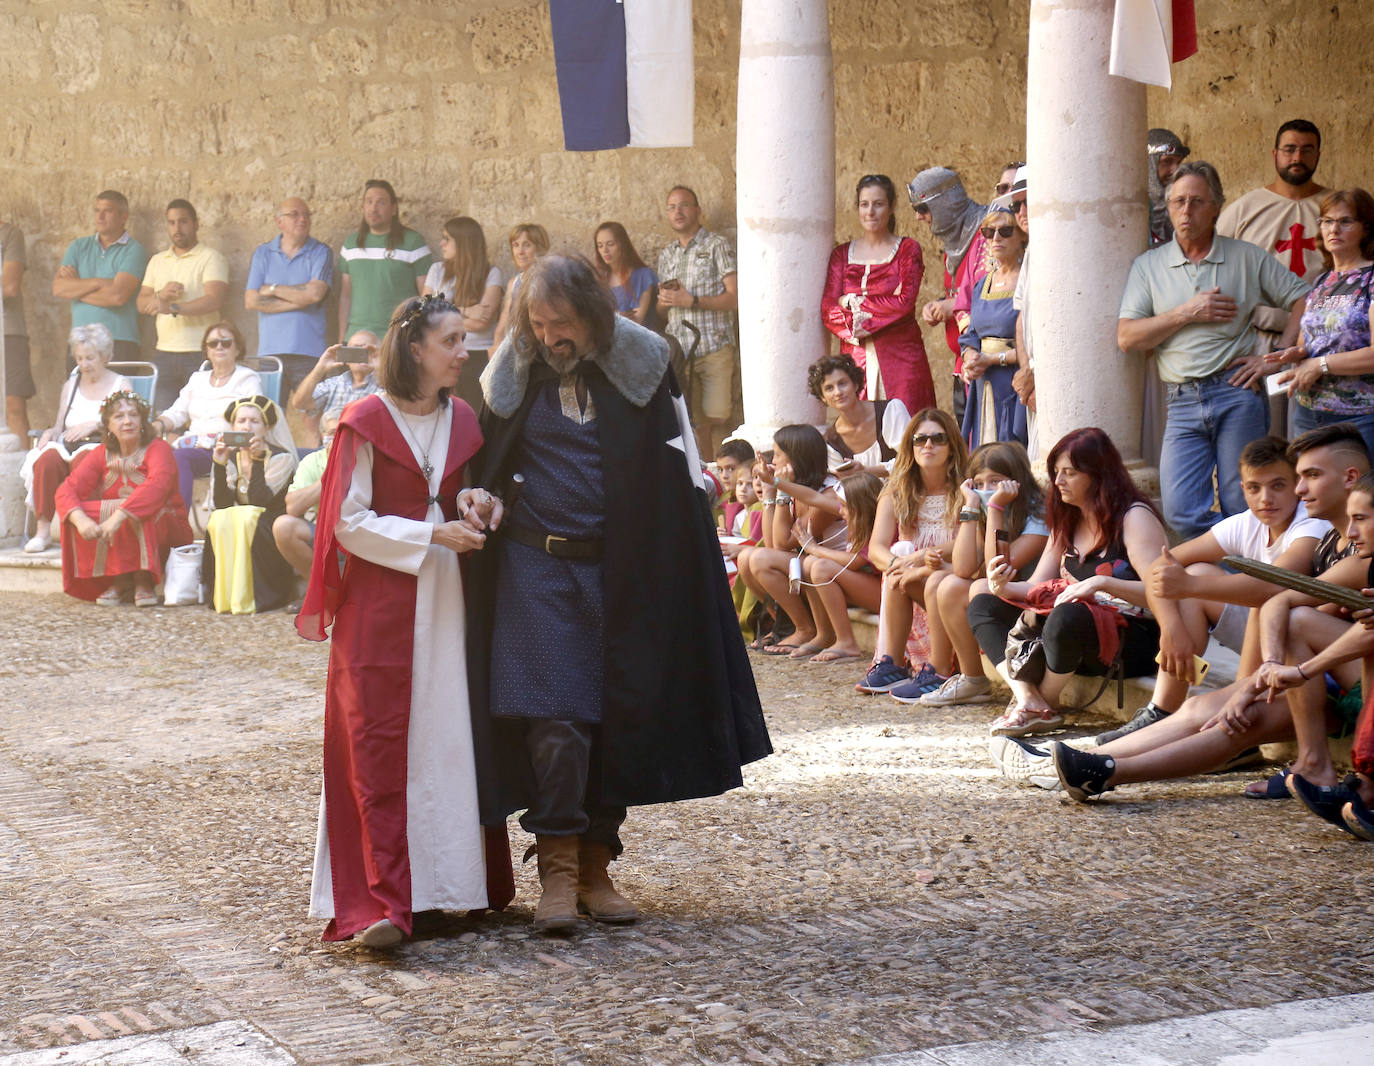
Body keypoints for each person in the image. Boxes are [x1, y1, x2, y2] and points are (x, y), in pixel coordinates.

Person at [464, 255, 770, 933]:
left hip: (621, 567)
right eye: (538, 324)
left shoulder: (643, 362)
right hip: (534, 569)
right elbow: (483, 458)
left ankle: (598, 864)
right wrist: (477, 497)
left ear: (594, 315)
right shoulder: (513, 368)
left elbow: (675, 467)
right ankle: (558, 868)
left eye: (561, 323)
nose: (549, 337)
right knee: (556, 721)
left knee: (611, 716)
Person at [297, 294, 515, 947]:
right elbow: (345, 521)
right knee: (377, 742)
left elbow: (464, 493)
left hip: (449, 600)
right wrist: (429, 536)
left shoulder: (464, 418)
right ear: (416, 348)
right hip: (380, 604)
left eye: (465, 340)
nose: (464, 351)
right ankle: (381, 901)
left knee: (446, 737)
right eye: (452, 340)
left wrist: (479, 504)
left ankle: (448, 887)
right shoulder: (365, 420)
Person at [990, 425, 1368, 793]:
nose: (1299, 490)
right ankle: (1080, 759)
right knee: (1199, 707)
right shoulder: (1331, 539)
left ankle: (1099, 769)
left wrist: (1256, 680)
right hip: (1304, 675)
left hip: (1331, 684)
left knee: (1232, 714)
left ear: (1351, 478)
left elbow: (1277, 592)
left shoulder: (1326, 537)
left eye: (1306, 478)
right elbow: (1167, 566)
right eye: (1255, 487)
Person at [1118, 161, 1311, 539]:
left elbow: (1306, 298)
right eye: (1177, 202)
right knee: (1181, 511)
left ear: (1217, 206)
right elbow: (1127, 337)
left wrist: (1274, 357)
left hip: (1237, 392)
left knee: (1245, 504)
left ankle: (1243, 586)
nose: (1185, 211)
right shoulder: (1149, 266)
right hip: (1181, 400)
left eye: (1195, 201)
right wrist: (1187, 312)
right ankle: (1228, 574)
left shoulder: (1246, 257)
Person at [968, 427, 1166, 736]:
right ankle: (1028, 698)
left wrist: (1102, 584)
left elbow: (1163, 594)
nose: (1058, 481)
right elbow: (1036, 586)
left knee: (1069, 612)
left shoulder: (1134, 517)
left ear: (1099, 474)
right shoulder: (1067, 519)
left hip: (1132, 643)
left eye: (1069, 472)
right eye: (1056, 472)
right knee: (983, 603)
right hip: (1072, 643)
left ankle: (1043, 702)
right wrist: (1002, 586)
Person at [918, 441, 1049, 707]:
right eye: (979, 483)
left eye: (995, 481)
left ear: (1015, 480)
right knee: (950, 585)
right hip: (1002, 598)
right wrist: (971, 506)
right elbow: (963, 568)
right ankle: (973, 678)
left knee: (974, 588)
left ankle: (1021, 683)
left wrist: (996, 509)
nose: (987, 490)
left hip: (1036, 603)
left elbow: (997, 569)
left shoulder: (1039, 511)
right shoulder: (985, 506)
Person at [855, 409, 968, 699]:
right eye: (920, 439)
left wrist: (922, 556)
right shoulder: (897, 490)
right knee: (897, 565)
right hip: (914, 581)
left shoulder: (965, 488)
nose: (928, 445)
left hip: (954, 575)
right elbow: (876, 548)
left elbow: (974, 542)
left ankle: (932, 667)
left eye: (937, 439)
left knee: (913, 571)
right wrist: (902, 562)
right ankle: (891, 664)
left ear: (952, 446)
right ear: (911, 446)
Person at [54, 389, 192, 606]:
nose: (127, 421)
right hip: (123, 529)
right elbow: (67, 490)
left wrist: (118, 516)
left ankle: (143, 578)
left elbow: (157, 488)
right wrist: (80, 520)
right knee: (79, 512)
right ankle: (120, 577)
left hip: (167, 526)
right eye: (119, 416)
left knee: (144, 508)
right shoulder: (101, 453)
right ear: (108, 425)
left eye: (133, 415)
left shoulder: (159, 449)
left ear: (142, 420)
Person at [1270, 189, 1374, 457]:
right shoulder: (1321, 282)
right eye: (1327, 221)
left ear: (1366, 228)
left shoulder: (1370, 280)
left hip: (1358, 417)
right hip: (1309, 413)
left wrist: (1320, 365)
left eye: (1345, 221)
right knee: (1311, 496)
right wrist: (1298, 353)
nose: (1334, 229)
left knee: (1358, 496)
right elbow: (1310, 343)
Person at [821, 175, 934, 412]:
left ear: (892, 207)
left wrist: (850, 303)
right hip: (855, 359)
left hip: (902, 357)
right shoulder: (841, 255)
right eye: (864, 204)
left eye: (878, 204)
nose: (870, 211)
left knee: (906, 426)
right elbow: (827, 309)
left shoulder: (907, 249)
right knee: (862, 432)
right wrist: (849, 310)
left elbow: (903, 303)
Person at [736, 424, 846, 657]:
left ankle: (806, 629)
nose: (772, 462)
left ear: (795, 459)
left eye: (777, 455)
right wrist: (769, 493)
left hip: (833, 572)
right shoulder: (799, 485)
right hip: (807, 567)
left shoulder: (827, 492)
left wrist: (782, 493)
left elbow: (782, 543)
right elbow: (771, 543)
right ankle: (787, 624)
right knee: (747, 558)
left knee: (760, 560)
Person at [22, 324, 133, 552]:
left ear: (105, 356)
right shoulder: (71, 385)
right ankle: (43, 532)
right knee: (46, 460)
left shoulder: (120, 384)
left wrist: (96, 424)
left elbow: (128, 423)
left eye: (90, 358)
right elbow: (60, 423)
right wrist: (50, 433)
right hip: (68, 444)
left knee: (84, 461)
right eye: (80, 358)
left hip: (102, 444)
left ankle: (85, 529)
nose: (84, 364)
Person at [656, 185, 740, 458]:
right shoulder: (667, 254)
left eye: (683, 205)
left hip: (713, 345)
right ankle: (707, 479)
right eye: (671, 207)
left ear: (697, 210)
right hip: (678, 353)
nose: (677, 212)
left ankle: (726, 473)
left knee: (718, 416)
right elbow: (661, 311)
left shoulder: (716, 245)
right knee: (690, 420)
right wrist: (665, 301)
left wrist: (691, 300)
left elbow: (734, 298)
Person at [152, 322, 264, 514]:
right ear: (206, 350)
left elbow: (254, 423)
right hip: (192, 446)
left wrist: (219, 440)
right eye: (213, 344)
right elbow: (177, 412)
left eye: (226, 343)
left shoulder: (248, 379)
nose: (219, 347)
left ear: (237, 349)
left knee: (178, 457)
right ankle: (154, 523)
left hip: (227, 448)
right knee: (156, 455)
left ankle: (177, 523)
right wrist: (158, 425)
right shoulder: (197, 379)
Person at [202, 395, 298, 614]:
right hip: (245, 519)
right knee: (219, 519)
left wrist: (256, 460)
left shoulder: (281, 458)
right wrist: (219, 462)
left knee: (248, 519)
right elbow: (223, 504)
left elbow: (259, 501)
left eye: (254, 421)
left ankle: (259, 594)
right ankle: (223, 594)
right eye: (241, 421)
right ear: (233, 426)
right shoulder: (233, 456)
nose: (247, 426)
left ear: (266, 427)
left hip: (272, 521)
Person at [908, 166, 989, 423]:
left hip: (984, 362)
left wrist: (952, 306)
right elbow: (963, 291)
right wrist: (941, 305)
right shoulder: (955, 243)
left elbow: (995, 293)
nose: (919, 218)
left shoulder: (987, 235)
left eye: (922, 209)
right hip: (961, 363)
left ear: (944, 204)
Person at [244, 197, 333, 419]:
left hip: (309, 351)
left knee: (313, 419)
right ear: (279, 221)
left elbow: (316, 293)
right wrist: (300, 298)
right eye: (294, 214)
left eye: (306, 214)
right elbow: (251, 301)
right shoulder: (263, 253)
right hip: (270, 353)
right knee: (267, 420)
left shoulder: (321, 252)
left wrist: (272, 288)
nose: (302, 219)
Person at [137, 199, 229, 412]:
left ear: (196, 224)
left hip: (201, 351)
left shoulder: (211, 258)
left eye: (183, 222)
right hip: (164, 352)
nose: (177, 228)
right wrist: (161, 295)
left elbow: (214, 299)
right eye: (171, 223)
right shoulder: (158, 261)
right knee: (164, 418)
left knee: (205, 415)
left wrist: (174, 308)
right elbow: (142, 303)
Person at [52, 190, 148, 363]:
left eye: (107, 211)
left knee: (118, 391)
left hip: (119, 341)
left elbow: (118, 296)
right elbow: (59, 288)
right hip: (79, 342)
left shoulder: (135, 250)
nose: (100, 216)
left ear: (123, 216)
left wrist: (77, 287)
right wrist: (99, 283)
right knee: (77, 391)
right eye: (97, 210)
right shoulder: (79, 246)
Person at [959, 207, 1027, 447]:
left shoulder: (1030, 281)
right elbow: (972, 333)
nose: (995, 238)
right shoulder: (981, 284)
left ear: (1022, 236)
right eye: (989, 232)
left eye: (1005, 231)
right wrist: (970, 356)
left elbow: (1036, 344)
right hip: (983, 383)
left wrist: (993, 359)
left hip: (1013, 383)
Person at [422, 216, 503, 410]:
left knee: (475, 414)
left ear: (464, 242)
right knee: (443, 411)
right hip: (442, 353)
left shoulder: (491, 273)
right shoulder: (437, 270)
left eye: (447, 238)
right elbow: (425, 312)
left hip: (478, 355)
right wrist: (468, 310)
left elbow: (482, 322)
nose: (441, 243)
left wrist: (444, 308)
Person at [337, 180, 432, 340]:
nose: (373, 208)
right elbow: (345, 296)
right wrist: (342, 336)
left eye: (381, 202)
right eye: (369, 202)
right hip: (356, 338)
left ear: (394, 208)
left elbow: (426, 297)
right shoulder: (350, 245)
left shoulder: (413, 243)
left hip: (398, 337)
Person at [807, 354, 909, 476]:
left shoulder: (891, 411)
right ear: (823, 397)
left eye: (842, 383)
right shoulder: (831, 443)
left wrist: (866, 471)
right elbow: (845, 487)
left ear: (855, 385)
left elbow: (911, 459)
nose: (838, 392)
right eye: (829, 388)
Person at [274, 411, 337, 591]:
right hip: (323, 531)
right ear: (323, 436)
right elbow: (292, 508)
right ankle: (321, 591)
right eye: (332, 433)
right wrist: (332, 471)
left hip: (359, 532)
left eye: (344, 431)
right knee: (283, 526)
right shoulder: (312, 461)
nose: (338, 438)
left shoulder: (366, 457)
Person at [290, 330, 382, 429]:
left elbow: (399, 404)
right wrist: (320, 368)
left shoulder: (388, 385)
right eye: (355, 350)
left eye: (367, 351)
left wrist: (381, 367)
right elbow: (300, 404)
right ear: (346, 354)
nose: (361, 355)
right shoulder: (334, 384)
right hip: (332, 443)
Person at [492, 222, 550, 349]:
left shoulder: (548, 280)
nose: (520, 251)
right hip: (514, 348)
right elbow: (504, 320)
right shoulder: (514, 282)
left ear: (540, 248)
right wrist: (496, 344)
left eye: (527, 245)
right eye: (516, 245)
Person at [593, 221, 659, 330]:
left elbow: (637, 321)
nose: (605, 250)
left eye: (610, 244)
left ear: (622, 245)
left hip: (638, 341)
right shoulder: (599, 280)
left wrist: (610, 316)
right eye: (600, 246)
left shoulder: (643, 276)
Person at [1, 215, 31, 437]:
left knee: (14, 405)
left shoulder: (9, 234)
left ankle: (22, 471)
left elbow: (10, 286)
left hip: (8, 330)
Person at [1146, 128, 1190, 246]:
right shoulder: (1132, 209)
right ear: (1149, 163)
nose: (1175, 170)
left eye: (1178, 163)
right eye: (1167, 161)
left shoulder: (1180, 207)